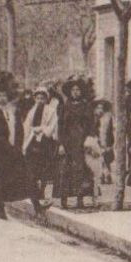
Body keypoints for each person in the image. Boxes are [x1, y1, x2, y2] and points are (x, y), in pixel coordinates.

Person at [0, 78, 39, 218]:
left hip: (15, 150)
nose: (2, 98)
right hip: (0, 152)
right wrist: (8, 147)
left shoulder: (14, 111)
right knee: (0, 180)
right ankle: (1, 208)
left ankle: (37, 205)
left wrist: (18, 146)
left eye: (4, 96)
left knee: (27, 176)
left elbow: (20, 130)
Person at [56, 78, 96, 209]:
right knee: (65, 169)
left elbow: (91, 125)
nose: (75, 92)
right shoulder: (64, 107)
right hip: (67, 142)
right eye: (73, 90)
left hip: (81, 142)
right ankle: (64, 199)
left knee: (81, 170)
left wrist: (89, 139)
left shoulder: (86, 106)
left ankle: (80, 199)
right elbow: (60, 126)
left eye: (78, 89)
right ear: (69, 92)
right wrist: (61, 144)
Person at [22, 84, 61, 201]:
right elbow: (27, 126)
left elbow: (53, 125)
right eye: (38, 98)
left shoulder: (51, 111)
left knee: (44, 168)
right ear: (35, 99)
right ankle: (34, 191)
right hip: (33, 140)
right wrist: (31, 132)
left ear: (46, 99)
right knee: (32, 167)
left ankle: (42, 190)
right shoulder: (32, 111)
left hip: (45, 141)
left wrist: (43, 129)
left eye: (42, 98)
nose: (40, 101)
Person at [93, 99, 116, 185]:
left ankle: (107, 175)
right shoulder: (95, 117)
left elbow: (110, 131)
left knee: (106, 159)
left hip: (106, 140)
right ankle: (102, 175)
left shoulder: (107, 118)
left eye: (101, 108)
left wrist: (110, 144)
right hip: (97, 140)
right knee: (100, 159)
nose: (100, 109)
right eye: (98, 107)